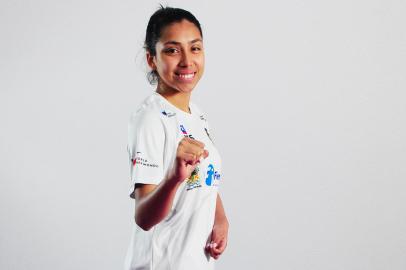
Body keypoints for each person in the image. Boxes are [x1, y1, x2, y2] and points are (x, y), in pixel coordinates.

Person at [123, 5, 229, 270]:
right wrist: (174, 178)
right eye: (172, 50)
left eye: (195, 48)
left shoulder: (196, 115)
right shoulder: (150, 119)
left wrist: (220, 218)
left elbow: (202, 175)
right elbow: (144, 217)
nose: (186, 61)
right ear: (151, 59)